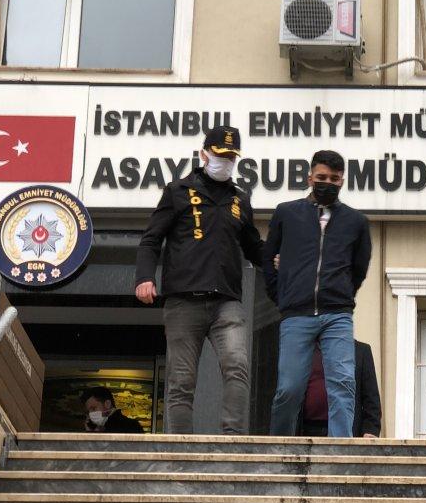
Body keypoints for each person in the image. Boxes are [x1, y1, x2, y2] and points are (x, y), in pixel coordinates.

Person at [134, 125, 263, 434]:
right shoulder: (177, 190)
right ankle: (180, 446)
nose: (226, 161)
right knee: (181, 379)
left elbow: (254, 247)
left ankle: (233, 439)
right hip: (183, 299)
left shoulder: (240, 200)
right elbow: (151, 240)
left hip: (226, 302)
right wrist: (144, 278)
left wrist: (279, 259)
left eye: (231, 156)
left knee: (237, 366)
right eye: (220, 154)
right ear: (204, 153)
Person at [263, 150, 372, 438]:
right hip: (296, 314)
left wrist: (342, 293)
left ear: (342, 181)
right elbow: (268, 257)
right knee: (289, 388)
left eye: (334, 179)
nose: (327, 183)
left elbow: (359, 268)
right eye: (321, 177)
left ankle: (340, 453)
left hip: (337, 314)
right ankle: (279, 447)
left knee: (343, 384)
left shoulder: (356, 222)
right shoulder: (286, 213)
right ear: (310, 177)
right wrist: (282, 295)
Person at [298, 340, 382, 438]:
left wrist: (370, 430)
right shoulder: (302, 350)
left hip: (345, 430)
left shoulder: (360, 351)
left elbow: (371, 397)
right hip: (306, 430)